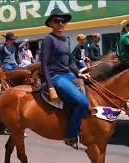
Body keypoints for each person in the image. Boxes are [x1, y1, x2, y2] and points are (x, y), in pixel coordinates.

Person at [40, 8, 90, 149]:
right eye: (57, 21)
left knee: (92, 88)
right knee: (82, 103)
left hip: (68, 74)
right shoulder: (49, 40)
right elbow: (44, 65)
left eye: (63, 21)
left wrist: (79, 73)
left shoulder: (64, 40)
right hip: (55, 76)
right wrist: (51, 88)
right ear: (51, 23)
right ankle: (71, 135)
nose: (61, 24)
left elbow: (71, 62)